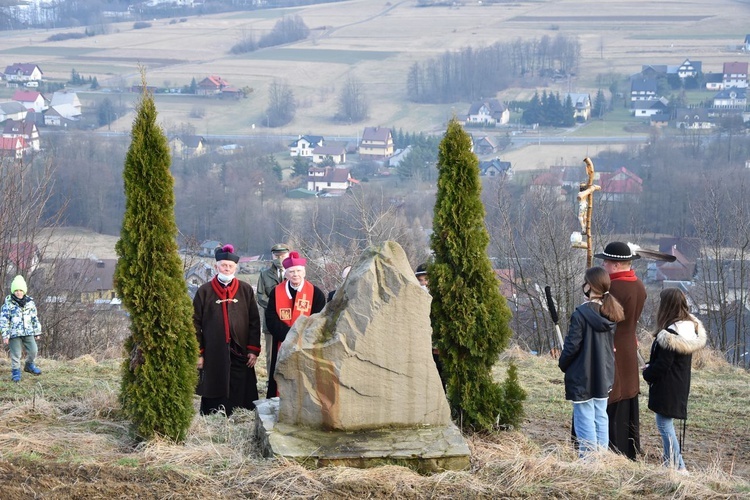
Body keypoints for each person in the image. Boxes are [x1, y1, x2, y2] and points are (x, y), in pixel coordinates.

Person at [559, 266, 624, 457]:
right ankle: (601, 458)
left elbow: (571, 347)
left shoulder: (580, 314)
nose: (583, 285)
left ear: (590, 286)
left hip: (583, 375)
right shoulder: (610, 312)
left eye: (585, 282)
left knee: (584, 417)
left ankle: (588, 460)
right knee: (600, 415)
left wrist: (563, 363)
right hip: (604, 373)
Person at [642, 288, 706, 474]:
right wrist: (650, 364)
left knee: (664, 424)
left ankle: (678, 467)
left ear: (666, 306)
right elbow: (671, 361)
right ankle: (670, 463)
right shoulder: (687, 328)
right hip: (679, 384)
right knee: (665, 423)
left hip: (668, 386)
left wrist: (648, 374)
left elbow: (663, 364)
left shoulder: (670, 333)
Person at [193, 244, 261, 416]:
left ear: (235, 268)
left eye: (230, 266)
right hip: (213, 350)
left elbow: (254, 321)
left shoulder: (245, 290)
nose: (227, 268)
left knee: (241, 383)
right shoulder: (204, 291)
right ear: (217, 267)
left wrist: (253, 350)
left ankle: (240, 413)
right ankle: (214, 414)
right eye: (223, 265)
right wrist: (198, 352)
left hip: (240, 349)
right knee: (215, 382)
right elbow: (194, 323)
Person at [594, 241, 647, 460]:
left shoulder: (612, 289)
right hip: (627, 346)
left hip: (611, 347)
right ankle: (627, 448)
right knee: (626, 395)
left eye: (606, 262)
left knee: (611, 397)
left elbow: (601, 321)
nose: (604, 265)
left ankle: (610, 450)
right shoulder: (639, 285)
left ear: (615, 265)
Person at [265, 251, 326, 398]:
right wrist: (288, 335)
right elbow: (271, 317)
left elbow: (319, 319)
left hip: (306, 343)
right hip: (282, 341)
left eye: (298, 271)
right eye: (291, 271)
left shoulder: (315, 293)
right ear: (286, 274)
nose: (295, 274)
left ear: (304, 272)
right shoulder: (277, 292)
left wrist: (300, 336)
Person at [1, 275, 42, 383]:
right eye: (16, 290)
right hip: (14, 333)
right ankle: (16, 371)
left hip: (28, 332)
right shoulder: (8, 305)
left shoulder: (30, 303)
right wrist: (5, 335)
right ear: (13, 291)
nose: (18, 292)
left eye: (21, 290)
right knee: (16, 354)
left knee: (34, 350)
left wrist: (37, 331)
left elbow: (34, 318)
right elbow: (4, 321)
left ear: (24, 291)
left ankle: (29, 365)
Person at [256, 243, 290, 374]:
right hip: (270, 321)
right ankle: (271, 381)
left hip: (289, 321)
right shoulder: (264, 275)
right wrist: (275, 307)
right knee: (271, 354)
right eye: (277, 256)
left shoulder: (293, 273)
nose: (280, 258)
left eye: (283, 255)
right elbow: (260, 296)